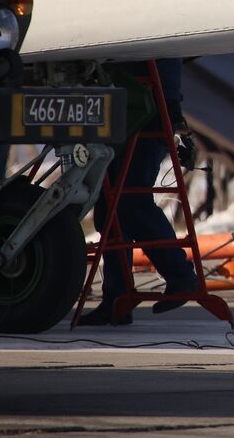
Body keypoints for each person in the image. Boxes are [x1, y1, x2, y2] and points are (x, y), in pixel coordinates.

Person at [79, 58, 198, 326]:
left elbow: (166, 55)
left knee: (131, 202)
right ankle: (116, 298)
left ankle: (180, 275)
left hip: (147, 110)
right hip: (125, 108)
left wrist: (169, 109)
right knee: (110, 209)